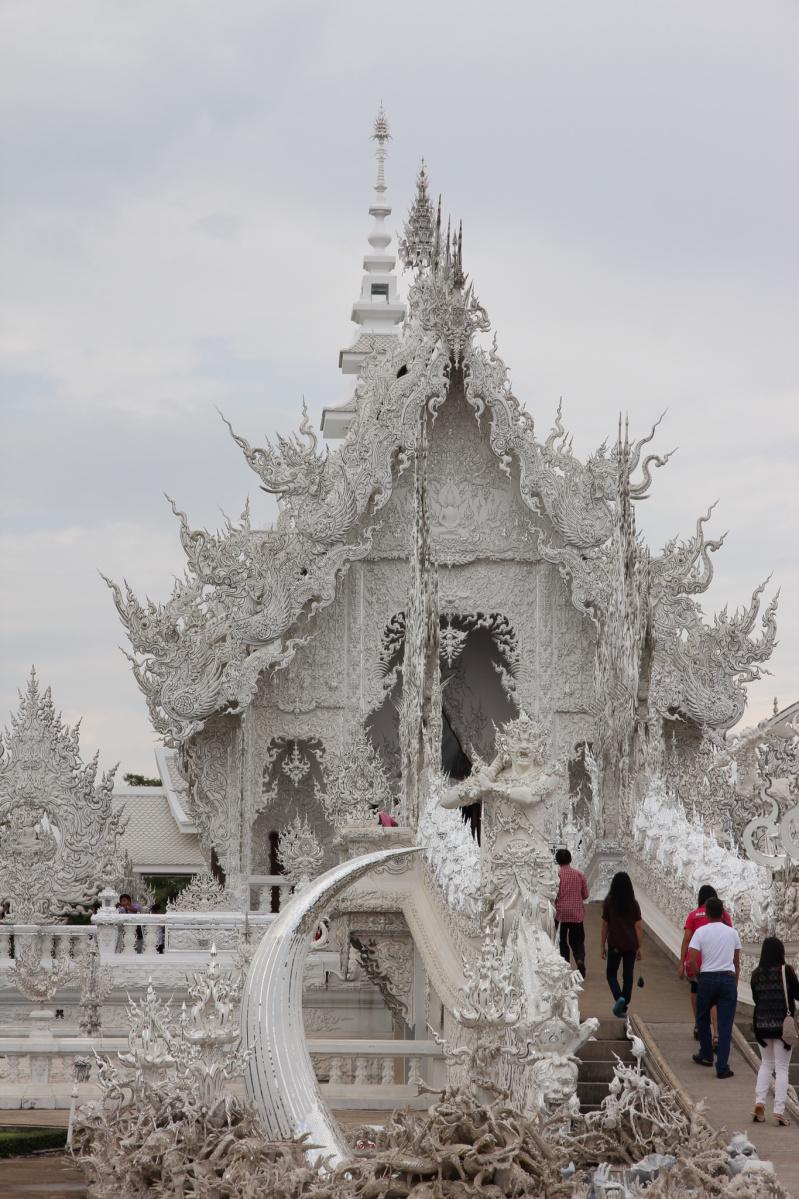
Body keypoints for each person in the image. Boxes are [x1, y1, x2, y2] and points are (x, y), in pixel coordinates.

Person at [686, 896, 741, 1079]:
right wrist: (735, 983)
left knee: (702, 1019)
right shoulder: (732, 933)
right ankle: (722, 1067)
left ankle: (706, 1055)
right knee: (725, 1025)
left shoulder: (700, 932)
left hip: (707, 979)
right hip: (727, 979)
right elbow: (736, 962)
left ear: (707, 913)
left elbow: (692, 959)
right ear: (723, 913)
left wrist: (698, 975)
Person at [750, 936, 799, 1125]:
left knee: (766, 1064)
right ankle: (778, 1110)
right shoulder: (786, 971)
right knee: (781, 1068)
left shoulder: (756, 974)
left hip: (762, 1025)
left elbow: (756, 998)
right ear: (781, 952)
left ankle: (759, 1104)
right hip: (783, 1027)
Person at [678, 885, 732, 1043]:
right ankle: (716, 1033)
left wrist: (682, 963)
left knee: (695, 990)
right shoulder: (724, 916)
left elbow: (686, 939)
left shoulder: (693, 915)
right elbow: (729, 935)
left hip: (695, 961)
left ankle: (698, 1024)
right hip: (717, 961)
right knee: (714, 999)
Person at [601, 872, 643, 1017]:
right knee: (628, 975)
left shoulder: (609, 903)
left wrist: (602, 945)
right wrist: (640, 947)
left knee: (611, 974)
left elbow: (605, 924)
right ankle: (624, 1003)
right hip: (631, 944)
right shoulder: (633, 904)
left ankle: (619, 998)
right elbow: (638, 926)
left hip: (615, 944)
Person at [554, 848, 589, 977]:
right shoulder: (579, 875)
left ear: (557, 861)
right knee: (577, 940)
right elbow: (585, 895)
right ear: (570, 859)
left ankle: (565, 965)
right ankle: (579, 960)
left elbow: (554, 895)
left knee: (561, 940)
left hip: (561, 913)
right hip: (576, 914)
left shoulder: (557, 876)